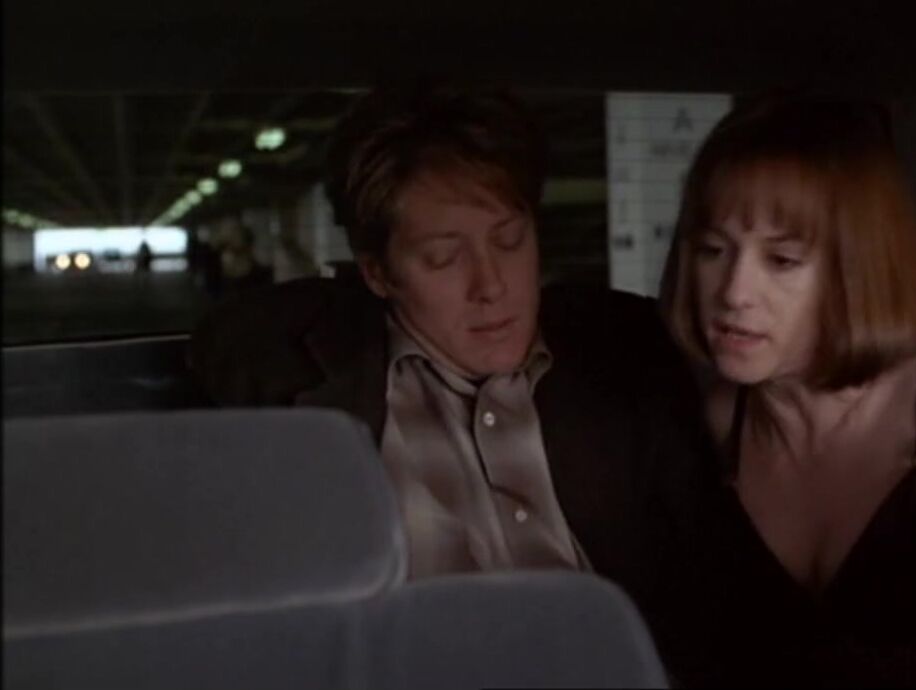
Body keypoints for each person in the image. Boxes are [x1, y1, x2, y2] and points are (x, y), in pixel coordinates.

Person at [188, 84, 726, 685]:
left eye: (510, 240)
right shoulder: (314, 373)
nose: (491, 285)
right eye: (445, 257)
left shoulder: (623, 352)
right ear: (377, 273)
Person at [658, 94, 916, 686]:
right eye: (712, 250)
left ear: (858, 268)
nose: (733, 292)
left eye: (782, 259)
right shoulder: (723, 421)